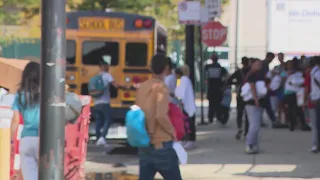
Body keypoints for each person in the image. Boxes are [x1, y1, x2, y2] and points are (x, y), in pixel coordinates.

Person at [135, 54, 182, 180]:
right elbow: (160, 115)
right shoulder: (161, 87)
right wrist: (173, 132)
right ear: (166, 69)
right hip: (162, 145)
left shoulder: (143, 87)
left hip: (144, 144)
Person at [10, 62, 40, 180]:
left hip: (26, 139)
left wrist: (11, 140)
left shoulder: (20, 95)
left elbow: (16, 119)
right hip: (44, 139)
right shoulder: (46, 94)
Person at [90, 60, 123, 147]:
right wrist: (124, 87)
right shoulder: (107, 76)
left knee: (99, 120)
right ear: (103, 67)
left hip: (96, 103)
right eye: (107, 66)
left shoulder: (97, 77)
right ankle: (102, 137)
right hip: (105, 103)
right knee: (108, 119)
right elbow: (115, 85)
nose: (108, 68)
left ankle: (98, 138)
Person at [244, 60, 265, 154]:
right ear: (252, 65)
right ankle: (249, 144)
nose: (259, 66)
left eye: (260, 64)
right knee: (254, 125)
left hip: (257, 102)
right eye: (257, 64)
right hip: (252, 103)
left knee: (256, 125)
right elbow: (252, 87)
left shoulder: (258, 74)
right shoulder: (252, 75)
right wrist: (256, 99)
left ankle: (254, 145)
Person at [283, 60, 310, 131]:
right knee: (293, 110)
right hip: (289, 93)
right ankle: (296, 124)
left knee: (296, 109)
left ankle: (296, 124)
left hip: (294, 93)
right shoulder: (287, 73)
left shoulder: (297, 73)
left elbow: (301, 82)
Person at [227, 57, 250, 140]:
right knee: (248, 113)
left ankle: (239, 127)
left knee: (239, 112)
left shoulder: (238, 72)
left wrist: (237, 83)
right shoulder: (250, 72)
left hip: (240, 94)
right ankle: (247, 131)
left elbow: (228, 81)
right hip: (249, 95)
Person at [175, 65, 196, 149]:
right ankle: (187, 139)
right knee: (186, 123)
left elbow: (180, 93)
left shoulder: (183, 80)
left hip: (186, 105)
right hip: (185, 104)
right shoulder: (184, 80)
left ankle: (190, 140)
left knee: (188, 123)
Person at [204, 53, 227, 124]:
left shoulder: (208, 67)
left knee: (211, 104)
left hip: (211, 88)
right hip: (218, 88)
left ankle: (210, 117)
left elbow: (204, 73)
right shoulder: (221, 68)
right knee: (218, 103)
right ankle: (218, 116)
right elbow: (225, 76)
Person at [260, 52, 280, 127]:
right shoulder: (265, 64)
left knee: (264, 105)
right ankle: (273, 120)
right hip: (264, 86)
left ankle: (269, 120)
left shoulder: (264, 64)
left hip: (262, 86)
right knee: (267, 105)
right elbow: (266, 76)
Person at [304, 57, 318, 152]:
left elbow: (307, 88)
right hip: (315, 100)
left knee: (315, 125)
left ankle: (315, 145)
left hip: (314, 101)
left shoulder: (311, 74)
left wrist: (305, 101)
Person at [310, 56, 320, 152]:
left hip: (317, 98)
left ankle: (317, 145)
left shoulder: (314, 72)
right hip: (318, 98)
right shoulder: (317, 72)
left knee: (317, 124)